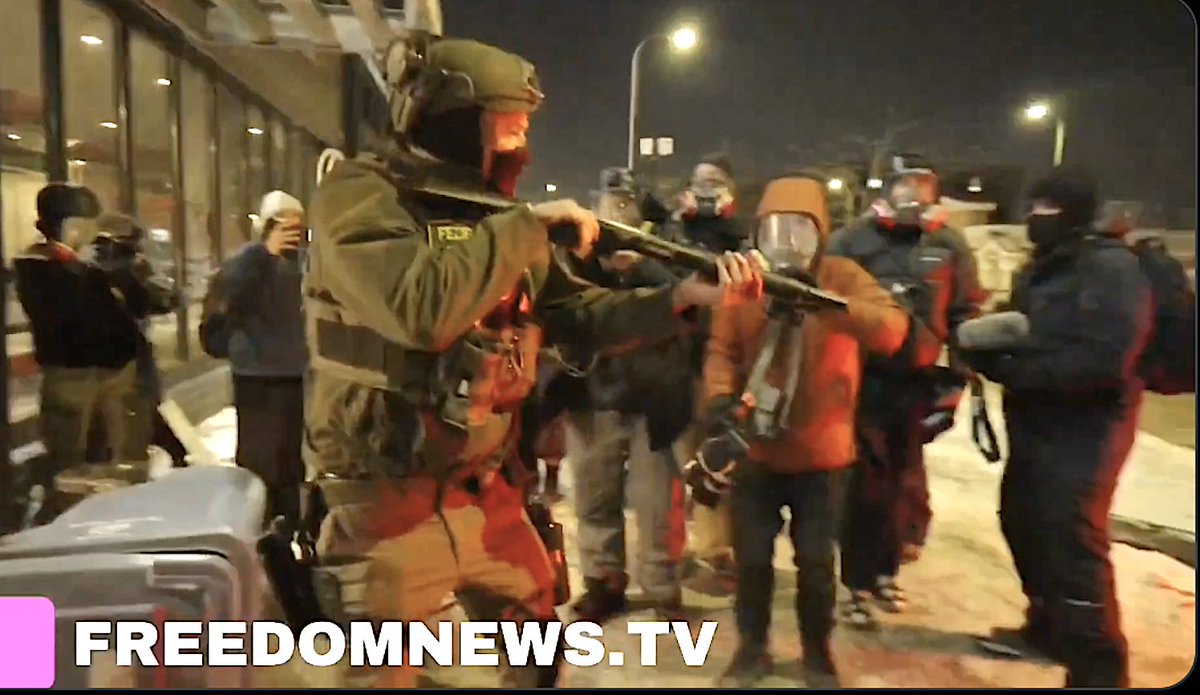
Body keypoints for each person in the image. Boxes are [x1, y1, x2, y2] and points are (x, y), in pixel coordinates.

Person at [302, 34, 764, 689]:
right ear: (456, 122)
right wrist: (527, 227)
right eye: (507, 126)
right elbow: (419, 306)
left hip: (486, 492)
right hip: (384, 503)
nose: (520, 143)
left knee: (538, 645)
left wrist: (684, 298)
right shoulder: (360, 195)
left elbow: (576, 315)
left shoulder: (498, 217)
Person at [704, 175, 909, 686]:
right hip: (757, 454)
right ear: (758, 232)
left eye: (801, 229)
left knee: (817, 564)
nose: (788, 242)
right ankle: (752, 648)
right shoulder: (748, 282)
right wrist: (722, 400)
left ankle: (817, 652)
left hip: (823, 457)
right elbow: (721, 349)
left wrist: (824, 303)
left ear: (822, 232)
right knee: (751, 562)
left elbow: (891, 329)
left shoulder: (842, 277)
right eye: (776, 230)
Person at [960, 167, 1152, 688]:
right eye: (1033, 205)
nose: (1034, 217)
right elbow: (1024, 327)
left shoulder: (1110, 270)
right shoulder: (1046, 266)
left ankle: (1098, 670)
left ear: (1073, 213)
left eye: (1047, 208)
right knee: (1023, 522)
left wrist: (1010, 370)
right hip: (1038, 425)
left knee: (1072, 547)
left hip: (1087, 434)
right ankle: (1048, 628)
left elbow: (1102, 361)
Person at [825, 159, 986, 629]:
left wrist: (958, 379)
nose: (913, 192)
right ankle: (854, 581)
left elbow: (965, 312)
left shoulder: (949, 244)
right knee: (863, 484)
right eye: (905, 183)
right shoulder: (852, 240)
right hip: (861, 379)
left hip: (918, 383)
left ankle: (884, 573)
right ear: (888, 189)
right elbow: (825, 301)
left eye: (923, 184)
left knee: (902, 484)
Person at [555, 182, 695, 623]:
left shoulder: (667, 249)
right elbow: (565, 308)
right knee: (595, 495)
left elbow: (690, 298)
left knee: (659, 501)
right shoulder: (573, 254)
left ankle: (662, 588)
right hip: (593, 395)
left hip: (655, 399)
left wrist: (643, 268)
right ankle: (603, 582)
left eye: (626, 207)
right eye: (609, 206)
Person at [13, 184, 145, 497]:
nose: (95, 234)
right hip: (73, 377)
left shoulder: (96, 266)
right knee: (71, 469)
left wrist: (122, 273)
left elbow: (138, 307)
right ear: (70, 225)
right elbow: (74, 318)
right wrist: (90, 272)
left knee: (116, 462)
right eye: (88, 224)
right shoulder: (39, 266)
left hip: (114, 376)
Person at [220, 190, 309, 530]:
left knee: (290, 457)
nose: (292, 231)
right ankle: (255, 524)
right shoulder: (248, 260)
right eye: (282, 222)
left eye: (298, 225)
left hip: (296, 371)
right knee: (259, 458)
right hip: (257, 373)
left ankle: (288, 523)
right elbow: (232, 298)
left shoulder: (306, 262)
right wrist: (264, 254)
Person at [81, 213, 184, 466]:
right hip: (110, 380)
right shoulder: (87, 275)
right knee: (118, 453)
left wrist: (140, 275)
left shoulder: (129, 274)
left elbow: (167, 299)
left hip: (129, 378)